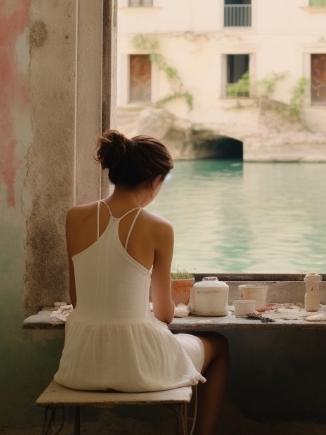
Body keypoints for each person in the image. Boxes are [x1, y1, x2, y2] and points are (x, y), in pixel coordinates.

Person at [54, 130, 229, 435]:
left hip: (80, 364)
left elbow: (78, 299)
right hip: (136, 367)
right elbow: (164, 314)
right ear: (155, 180)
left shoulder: (75, 217)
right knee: (220, 344)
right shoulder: (159, 228)